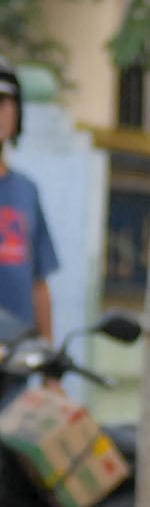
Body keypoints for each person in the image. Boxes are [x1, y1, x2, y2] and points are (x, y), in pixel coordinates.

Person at [0, 61, 58, 344]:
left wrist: (51, 364)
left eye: (4, 102)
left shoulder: (27, 192)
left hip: (16, 364)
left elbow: (39, 283)